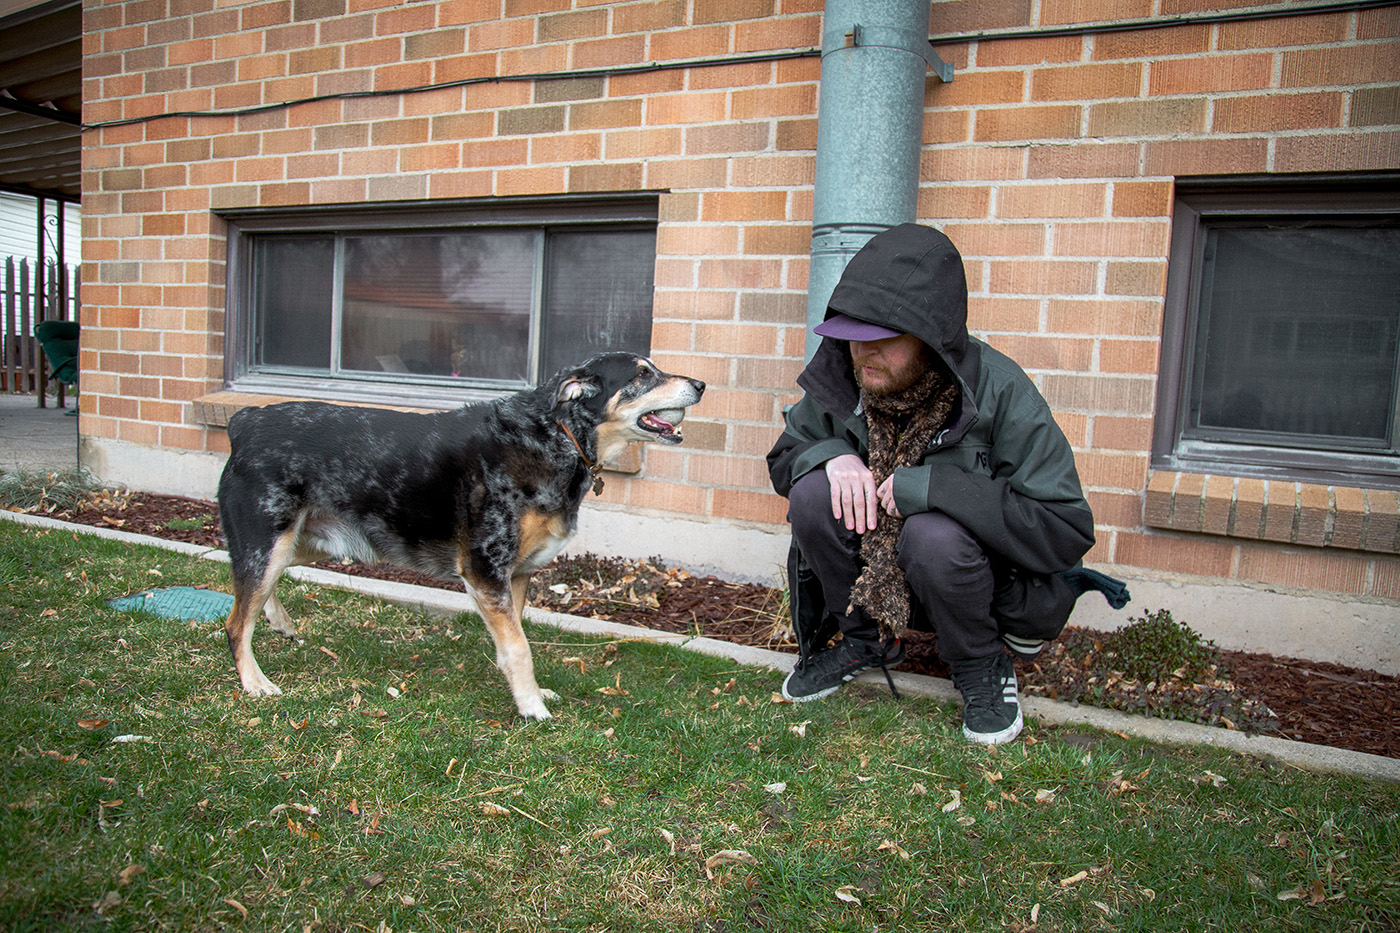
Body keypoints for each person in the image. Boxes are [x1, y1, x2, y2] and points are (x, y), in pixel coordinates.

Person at [766, 223, 1126, 745]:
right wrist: (831, 456)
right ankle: (866, 641)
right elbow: (784, 458)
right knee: (812, 492)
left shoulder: (1001, 392)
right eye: (852, 338)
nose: (864, 355)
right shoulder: (844, 377)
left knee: (932, 533)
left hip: (975, 581)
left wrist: (939, 488)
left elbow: (1063, 528)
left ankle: (980, 665)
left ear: (931, 338)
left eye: (884, 340)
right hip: (881, 573)